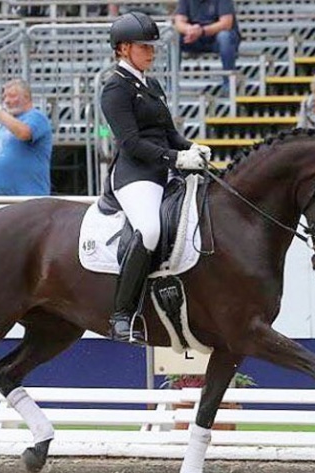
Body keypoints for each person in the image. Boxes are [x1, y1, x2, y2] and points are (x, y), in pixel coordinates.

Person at [101, 12, 211, 343]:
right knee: (149, 230)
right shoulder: (115, 89)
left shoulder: (152, 85)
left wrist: (193, 148)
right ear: (123, 49)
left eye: (152, 47)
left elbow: (168, 134)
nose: (151, 53)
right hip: (136, 175)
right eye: (144, 47)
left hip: (164, 170)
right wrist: (177, 158)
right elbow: (132, 144)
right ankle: (121, 315)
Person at [0, 79, 52, 196]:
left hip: (27, 199)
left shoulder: (36, 117)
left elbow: (23, 133)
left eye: (12, 96)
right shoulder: (5, 124)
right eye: (4, 97)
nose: (7, 101)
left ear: (27, 97)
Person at [173, 0, 241, 93]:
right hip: (195, 38)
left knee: (224, 36)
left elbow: (226, 23)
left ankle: (229, 82)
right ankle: (171, 83)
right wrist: (189, 30)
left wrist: (202, 31)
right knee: (173, 37)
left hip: (216, 40)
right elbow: (178, 23)